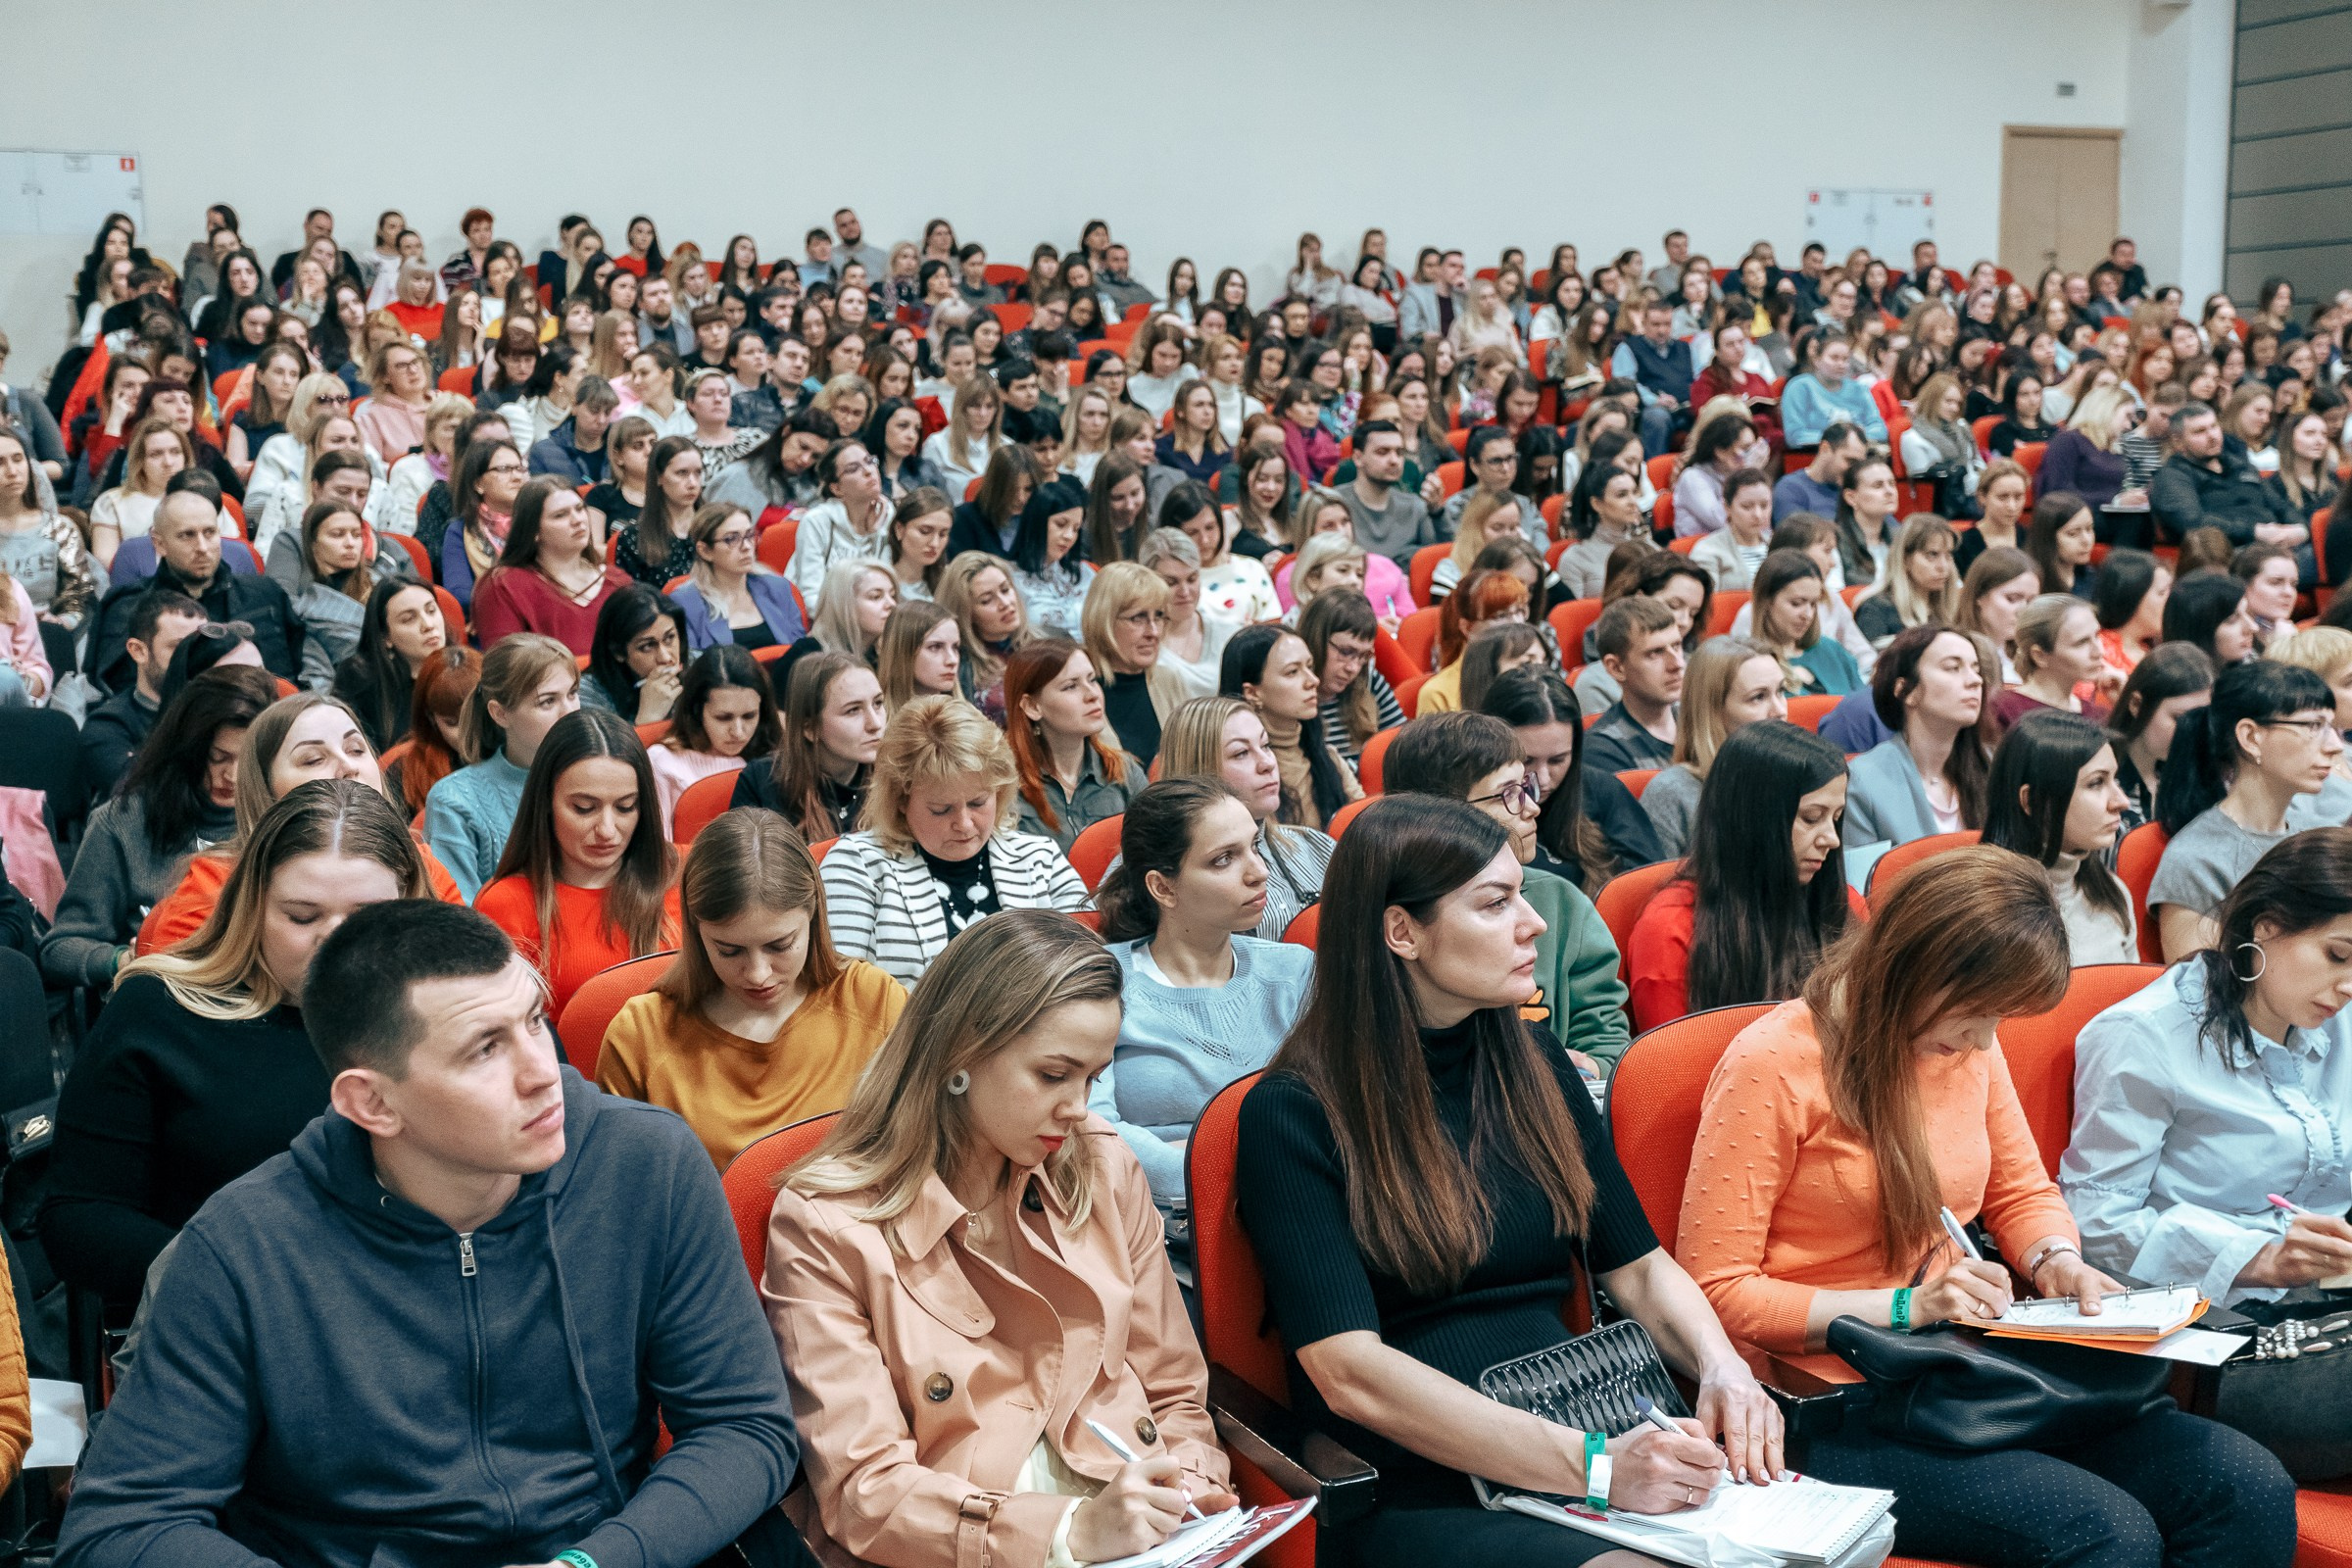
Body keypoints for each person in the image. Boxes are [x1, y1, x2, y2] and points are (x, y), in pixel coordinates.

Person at [58, 896, 801, 1568]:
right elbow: (122, 1525)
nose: (542, 1071)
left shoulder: (647, 1165)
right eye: (485, 1049)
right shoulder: (243, 1245)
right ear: (373, 1104)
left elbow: (745, 1425)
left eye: (533, 1022)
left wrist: (601, 1562)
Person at [1679, 847, 2292, 1568]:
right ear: (1916, 968)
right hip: (1840, 1398)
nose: (1986, 1039)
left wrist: (2057, 1262)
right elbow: (1716, 1290)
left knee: (2247, 1488)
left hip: (1966, 1369)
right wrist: (1906, 1308)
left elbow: (2021, 1193)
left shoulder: (1961, 1041)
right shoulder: (1773, 1063)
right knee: (2107, 1535)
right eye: (1977, 1013)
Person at [1236, 795, 1787, 1568]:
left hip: (1581, 1421)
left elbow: (1638, 1268)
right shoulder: (1292, 1113)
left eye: (1521, 894)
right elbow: (1350, 1374)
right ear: (1403, 932)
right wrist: (1594, 1468)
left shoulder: (1534, 1063)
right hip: (1420, 1480)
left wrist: (1725, 1369)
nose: (1533, 923)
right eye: (1496, 903)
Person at [768, 907, 1231, 1568]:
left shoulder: (1100, 1165)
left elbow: (1174, 1389)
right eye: (1052, 1075)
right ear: (960, 1052)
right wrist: (1069, 1533)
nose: (1079, 1108)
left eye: (1092, 1078)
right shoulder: (825, 1221)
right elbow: (865, 1490)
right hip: (954, 1544)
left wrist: (1192, 1480)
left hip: (1140, 1530)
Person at [40, 779, 430, 1309]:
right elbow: (80, 1217)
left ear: (410, 904)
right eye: (302, 916)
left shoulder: (462, 1015)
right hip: (229, 1318)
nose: (336, 941)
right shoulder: (159, 1011)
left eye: (368, 917)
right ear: (254, 907)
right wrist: (240, 1278)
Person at [2066, 828, 2352, 1475]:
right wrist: (2255, 1258)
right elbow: (2091, 1226)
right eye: (2338, 955)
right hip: (2214, 1339)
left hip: (2326, 1308)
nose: (2348, 986)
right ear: (2269, 929)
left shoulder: (2335, 1022)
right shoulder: (2146, 1036)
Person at [598, 807, 903, 1169]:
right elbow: (622, 1187)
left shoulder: (874, 1001)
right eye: (729, 950)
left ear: (813, 914)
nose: (758, 975)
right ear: (696, 932)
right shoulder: (641, 1035)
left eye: (780, 945)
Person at [1383, 712, 1633, 1072]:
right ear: (1440, 817)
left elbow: (1606, 1041)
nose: (1533, 807)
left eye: (1525, 788)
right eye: (1507, 796)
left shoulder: (1562, 903)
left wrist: (1585, 1068)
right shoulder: (1383, 910)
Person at [816, 696, 1089, 987]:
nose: (964, 823)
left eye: (978, 802)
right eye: (941, 809)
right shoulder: (857, 866)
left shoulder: (1039, 857)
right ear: (900, 801)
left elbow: (1088, 970)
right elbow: (839, 993)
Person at [41, 665, 274, 991]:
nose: (232, 777)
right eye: (217, 758)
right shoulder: (124, 821)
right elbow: (60, 948)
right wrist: (124, 960)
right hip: (157, 1003)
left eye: (247, 760)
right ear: (188, 752)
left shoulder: (277, 821)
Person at [1628, 720, 1857, 1033]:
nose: (1831, 839)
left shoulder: (1840, 902)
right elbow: (1677, 1070)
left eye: (1836, 818)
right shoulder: (1671, 932)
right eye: (1811, 818)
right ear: (1753, 821)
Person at [474, 709, 682, 1020]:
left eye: (626, 807)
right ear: (545, 803)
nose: (608, 831)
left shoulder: (682, 876)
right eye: (584, 808)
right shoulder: (505, 904)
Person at [2151, 659, 2343, 959]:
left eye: (2331, 727)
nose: (2335, 745)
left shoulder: (2320, 834)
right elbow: (2194, 991)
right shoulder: (2197, 859)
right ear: (2251, 738)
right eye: (2313, 726)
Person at [87, 485, 303, 689]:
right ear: (159, 543)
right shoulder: (129, 607)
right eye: (187, 535)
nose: (202, 547)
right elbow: (114, 688)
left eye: (209, 532)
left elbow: (298, 671)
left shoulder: (265, 594)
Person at [422, 632, 579, 901]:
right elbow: (461, 917)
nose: (570, 712)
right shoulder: (455, 800)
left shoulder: (606, 773)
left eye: (573, 693)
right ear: (500, 713)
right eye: (548, 701)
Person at [1843, 624, 1997, 888]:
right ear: (1906, 690)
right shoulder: (1863, 781)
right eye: (1953, 667)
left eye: (1976, 668)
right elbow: (1863, 895)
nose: (1975, 680)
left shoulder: (1994, 769)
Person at [1984, 710, 2138, 963]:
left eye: (2115, 780)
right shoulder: (1986, 916)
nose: (2121, 802)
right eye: (2096, 783)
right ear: (2032, 801)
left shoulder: (2113, 893)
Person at [1641, 636, 1788, 858]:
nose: (1779, 711)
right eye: (1758, 697)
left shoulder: (1795, 779)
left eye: (1781, 691)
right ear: (1713, 713)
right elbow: (1660, 891)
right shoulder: (1672, 795)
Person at [1004, 639, 1145, 852]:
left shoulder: (1124, 770)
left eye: (1092, 680)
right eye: (1071, 686)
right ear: (1032, 706)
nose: (1093, 695)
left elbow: (1157, 853)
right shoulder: (1003, 784)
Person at [1219, 623, 1360, 831]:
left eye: (1309, 667)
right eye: (1293, 672)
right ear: (1252, 693)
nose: (1313, 681)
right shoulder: (1243, 773)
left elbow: (1366, 824)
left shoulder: (1326, 757)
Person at [731, 652, 884, 842]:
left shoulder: (898, 776)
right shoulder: (762, 782)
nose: (875, 723)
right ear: (810, 728)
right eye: (853, 710)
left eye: (878, 703)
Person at [80, 589, 205, 797]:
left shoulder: (223, 709)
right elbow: (143, 796)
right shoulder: (107, 727)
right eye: (179, 647)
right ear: (138, 651)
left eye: (200, 646)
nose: (193, 657)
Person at [2154, 401, 2308, 564]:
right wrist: (2255, 532)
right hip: (2227, 555)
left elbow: (2281, 505)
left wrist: (2299, 529)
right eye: (2200, 431)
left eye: (2214, 427)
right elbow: (2193, 523)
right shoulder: (2172, 476)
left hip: (2276, 546)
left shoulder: (2241, 466)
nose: (2212, 436)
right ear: (2178, 442)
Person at [646, 645, 777, 834]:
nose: (738, 732)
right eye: (724, 718)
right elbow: (659, 850)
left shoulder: (773, 756)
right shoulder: (662, 763)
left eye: (749, 716)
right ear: (697, 711)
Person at [329, 577, 446, 751]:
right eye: (409, 619)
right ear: (386, 637)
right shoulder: (359, 680)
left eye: (431, 610)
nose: (428, 625)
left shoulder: (466, 668)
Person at [1579, 596, 1686, 775]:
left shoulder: (1703, 723)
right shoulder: (1601, 751)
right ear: (1616, 668)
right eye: (1655, 653)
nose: (1677, 664)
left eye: (1676, 646)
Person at [1851, 514, 1959, 648]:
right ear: (1905, 559)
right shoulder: (1876, 610)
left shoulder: (1951, 609)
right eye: (1932, 555)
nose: (1943, 566)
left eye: (1948, 555)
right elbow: (1869, 666)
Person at [1781, 330, 1887, 448]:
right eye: (1834, 358)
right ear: (1817, 359)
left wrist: (1854, 439)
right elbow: (1795, 436)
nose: (1841, 364)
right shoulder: (1799, 387)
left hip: (1860, 452)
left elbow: (1879, 429)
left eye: (1845, 359)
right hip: (1815, 454)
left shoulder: (1859, 388)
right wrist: (1839, 439)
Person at [1689, 467, 1776, 592]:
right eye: (1747, 507)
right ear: (1727, 507)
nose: (1758, 514)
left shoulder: (1778, 546)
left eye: (1764, 506)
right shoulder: (1708, 550)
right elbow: (1704, 600)